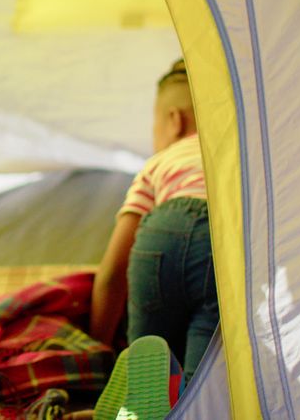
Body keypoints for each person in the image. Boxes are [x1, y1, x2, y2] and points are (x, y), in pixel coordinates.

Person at [88, 59, 217, 383]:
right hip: (216, 243)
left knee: (148, 359)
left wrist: (97, 349)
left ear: (174, 120)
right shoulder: (230, 154)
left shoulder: (158, 163)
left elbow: (112, 274)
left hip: (159, 234)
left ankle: (138, 384)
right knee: (206, 369)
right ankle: (194, 394)